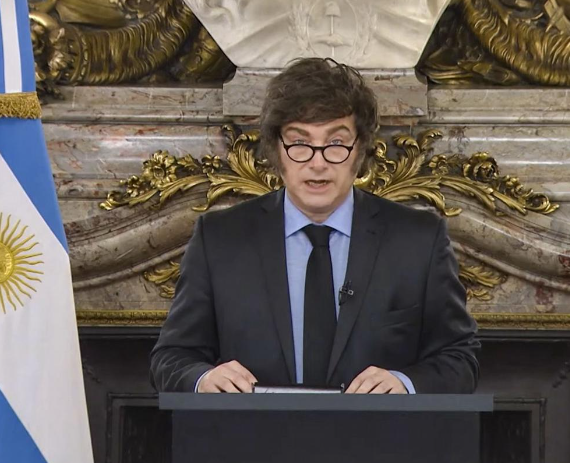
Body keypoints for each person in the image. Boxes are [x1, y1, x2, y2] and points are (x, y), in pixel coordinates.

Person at [150, 58, 479, 394]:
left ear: (360, 150)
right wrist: (204, 379)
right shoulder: (219, 238)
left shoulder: (419, 239)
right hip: (253, 428)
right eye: (300, 143)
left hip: (380, 428)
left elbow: (460, 360)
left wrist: (405, 384)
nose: (318, 163)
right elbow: (171, 358)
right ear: (277, 150)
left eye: (335, 144)